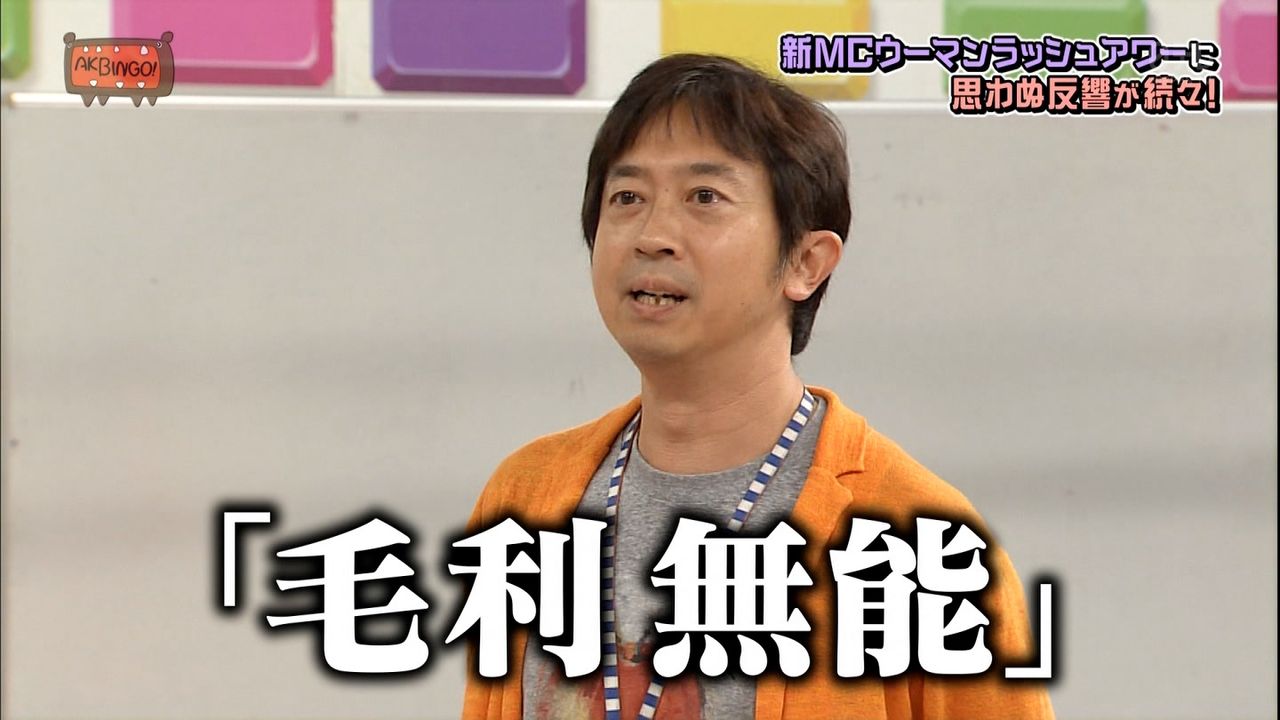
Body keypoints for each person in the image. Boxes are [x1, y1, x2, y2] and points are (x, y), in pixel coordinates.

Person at [460, 53, 1055, 720]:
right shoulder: (525, 498)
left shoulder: (918, 542)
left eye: (704, 197)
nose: (652, 235)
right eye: (627, 198)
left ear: (806, 262)